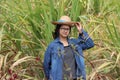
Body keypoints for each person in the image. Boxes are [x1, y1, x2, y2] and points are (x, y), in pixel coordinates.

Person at [43, 16, 94, 80]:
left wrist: (81, 31)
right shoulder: (53, 46)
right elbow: (46, 65)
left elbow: (90, 44)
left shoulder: (74, 44)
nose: (65, 31)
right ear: (58, 29)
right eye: (63, 28)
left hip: (75, 78)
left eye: (67, 29)